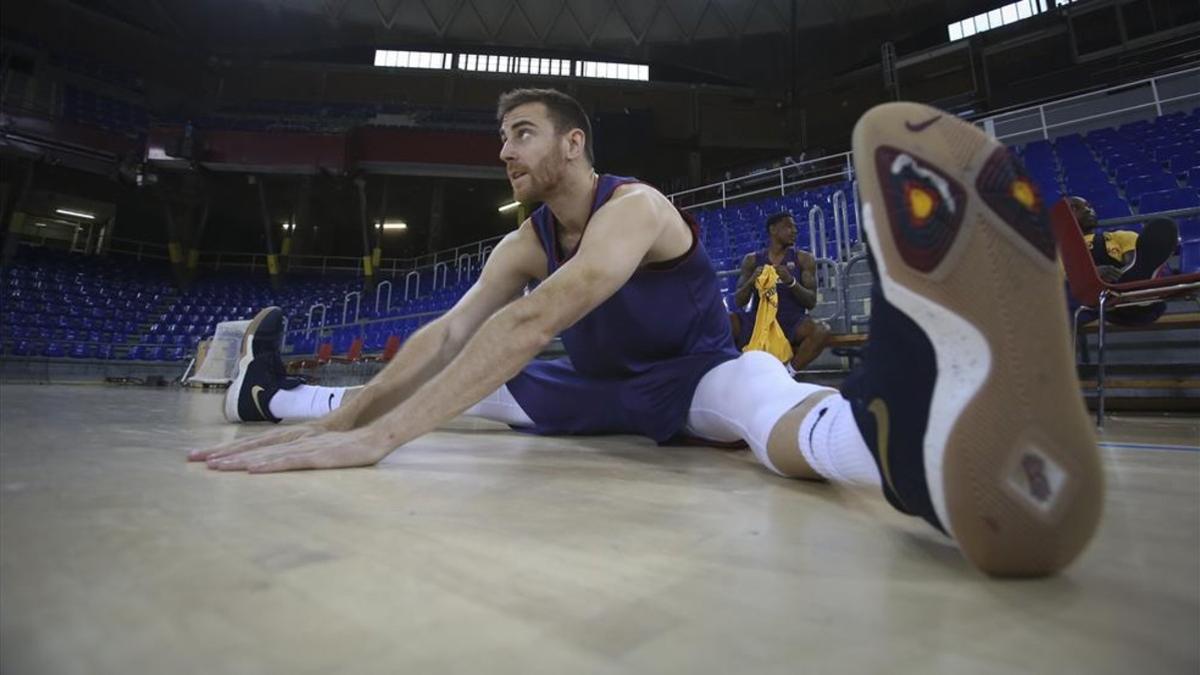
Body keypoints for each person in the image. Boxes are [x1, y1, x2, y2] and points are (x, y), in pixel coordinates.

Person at [191, 90, 1104, 578]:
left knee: (757, 394)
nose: (504, 153)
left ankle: (918, 458)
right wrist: (348, 428)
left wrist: (388, 437)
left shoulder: (640, 209)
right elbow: (450, 331)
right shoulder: (525, 238)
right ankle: (268, 395)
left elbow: (546, 311)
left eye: (520, 134)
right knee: (458, 369)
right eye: (502, 140)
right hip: (587, 393)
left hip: (685, 377)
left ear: (575, 144)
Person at [730, 212, 829, 373]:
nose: (794, 231)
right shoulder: (752, 260)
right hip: (759, 319)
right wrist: (752, 281)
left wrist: (791, 282)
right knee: (725, 322)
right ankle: (734, 371)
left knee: (822, 330)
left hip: (791, 320)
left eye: (795, 227)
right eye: (789, 226)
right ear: (773, 230)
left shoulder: (803, 259)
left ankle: (788, 373)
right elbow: (739, 301)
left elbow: (811, 302)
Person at [1066, 196, 1179, 325]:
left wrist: (1113, 279)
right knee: (1062, 290)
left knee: (1133, 273)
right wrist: (1090, 275)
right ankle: (1137, 291)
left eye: (1089, 206)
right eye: (1075, 207)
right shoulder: (1057, 249)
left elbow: (1133, 263)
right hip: (1088, 301)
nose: (1087, 210)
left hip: (1123, 297)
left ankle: (1138, 289)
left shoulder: (1121, 236)